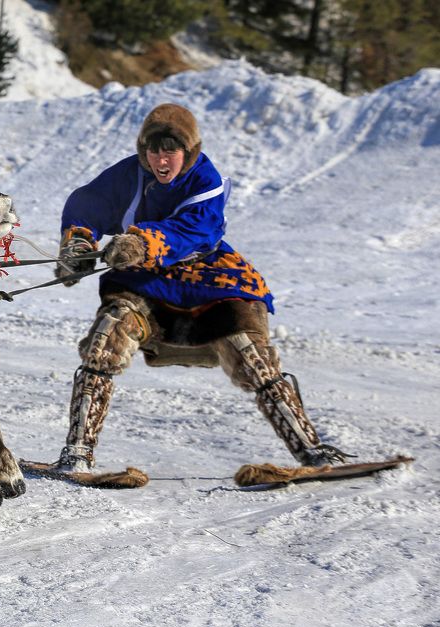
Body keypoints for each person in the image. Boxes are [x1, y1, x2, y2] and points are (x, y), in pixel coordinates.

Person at [49, 103, 351, 473]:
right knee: (106, 336)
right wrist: (78, 245)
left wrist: (142, 244)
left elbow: (195, 230)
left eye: (171, 151)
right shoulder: (128, 176)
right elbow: (85, 206)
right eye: (153, 150)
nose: (161, 159)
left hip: (207, 282)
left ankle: (311, 450)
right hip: (146, 283)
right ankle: (77, 453)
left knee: (250, 355)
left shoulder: (206, 180)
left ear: (188, 152)